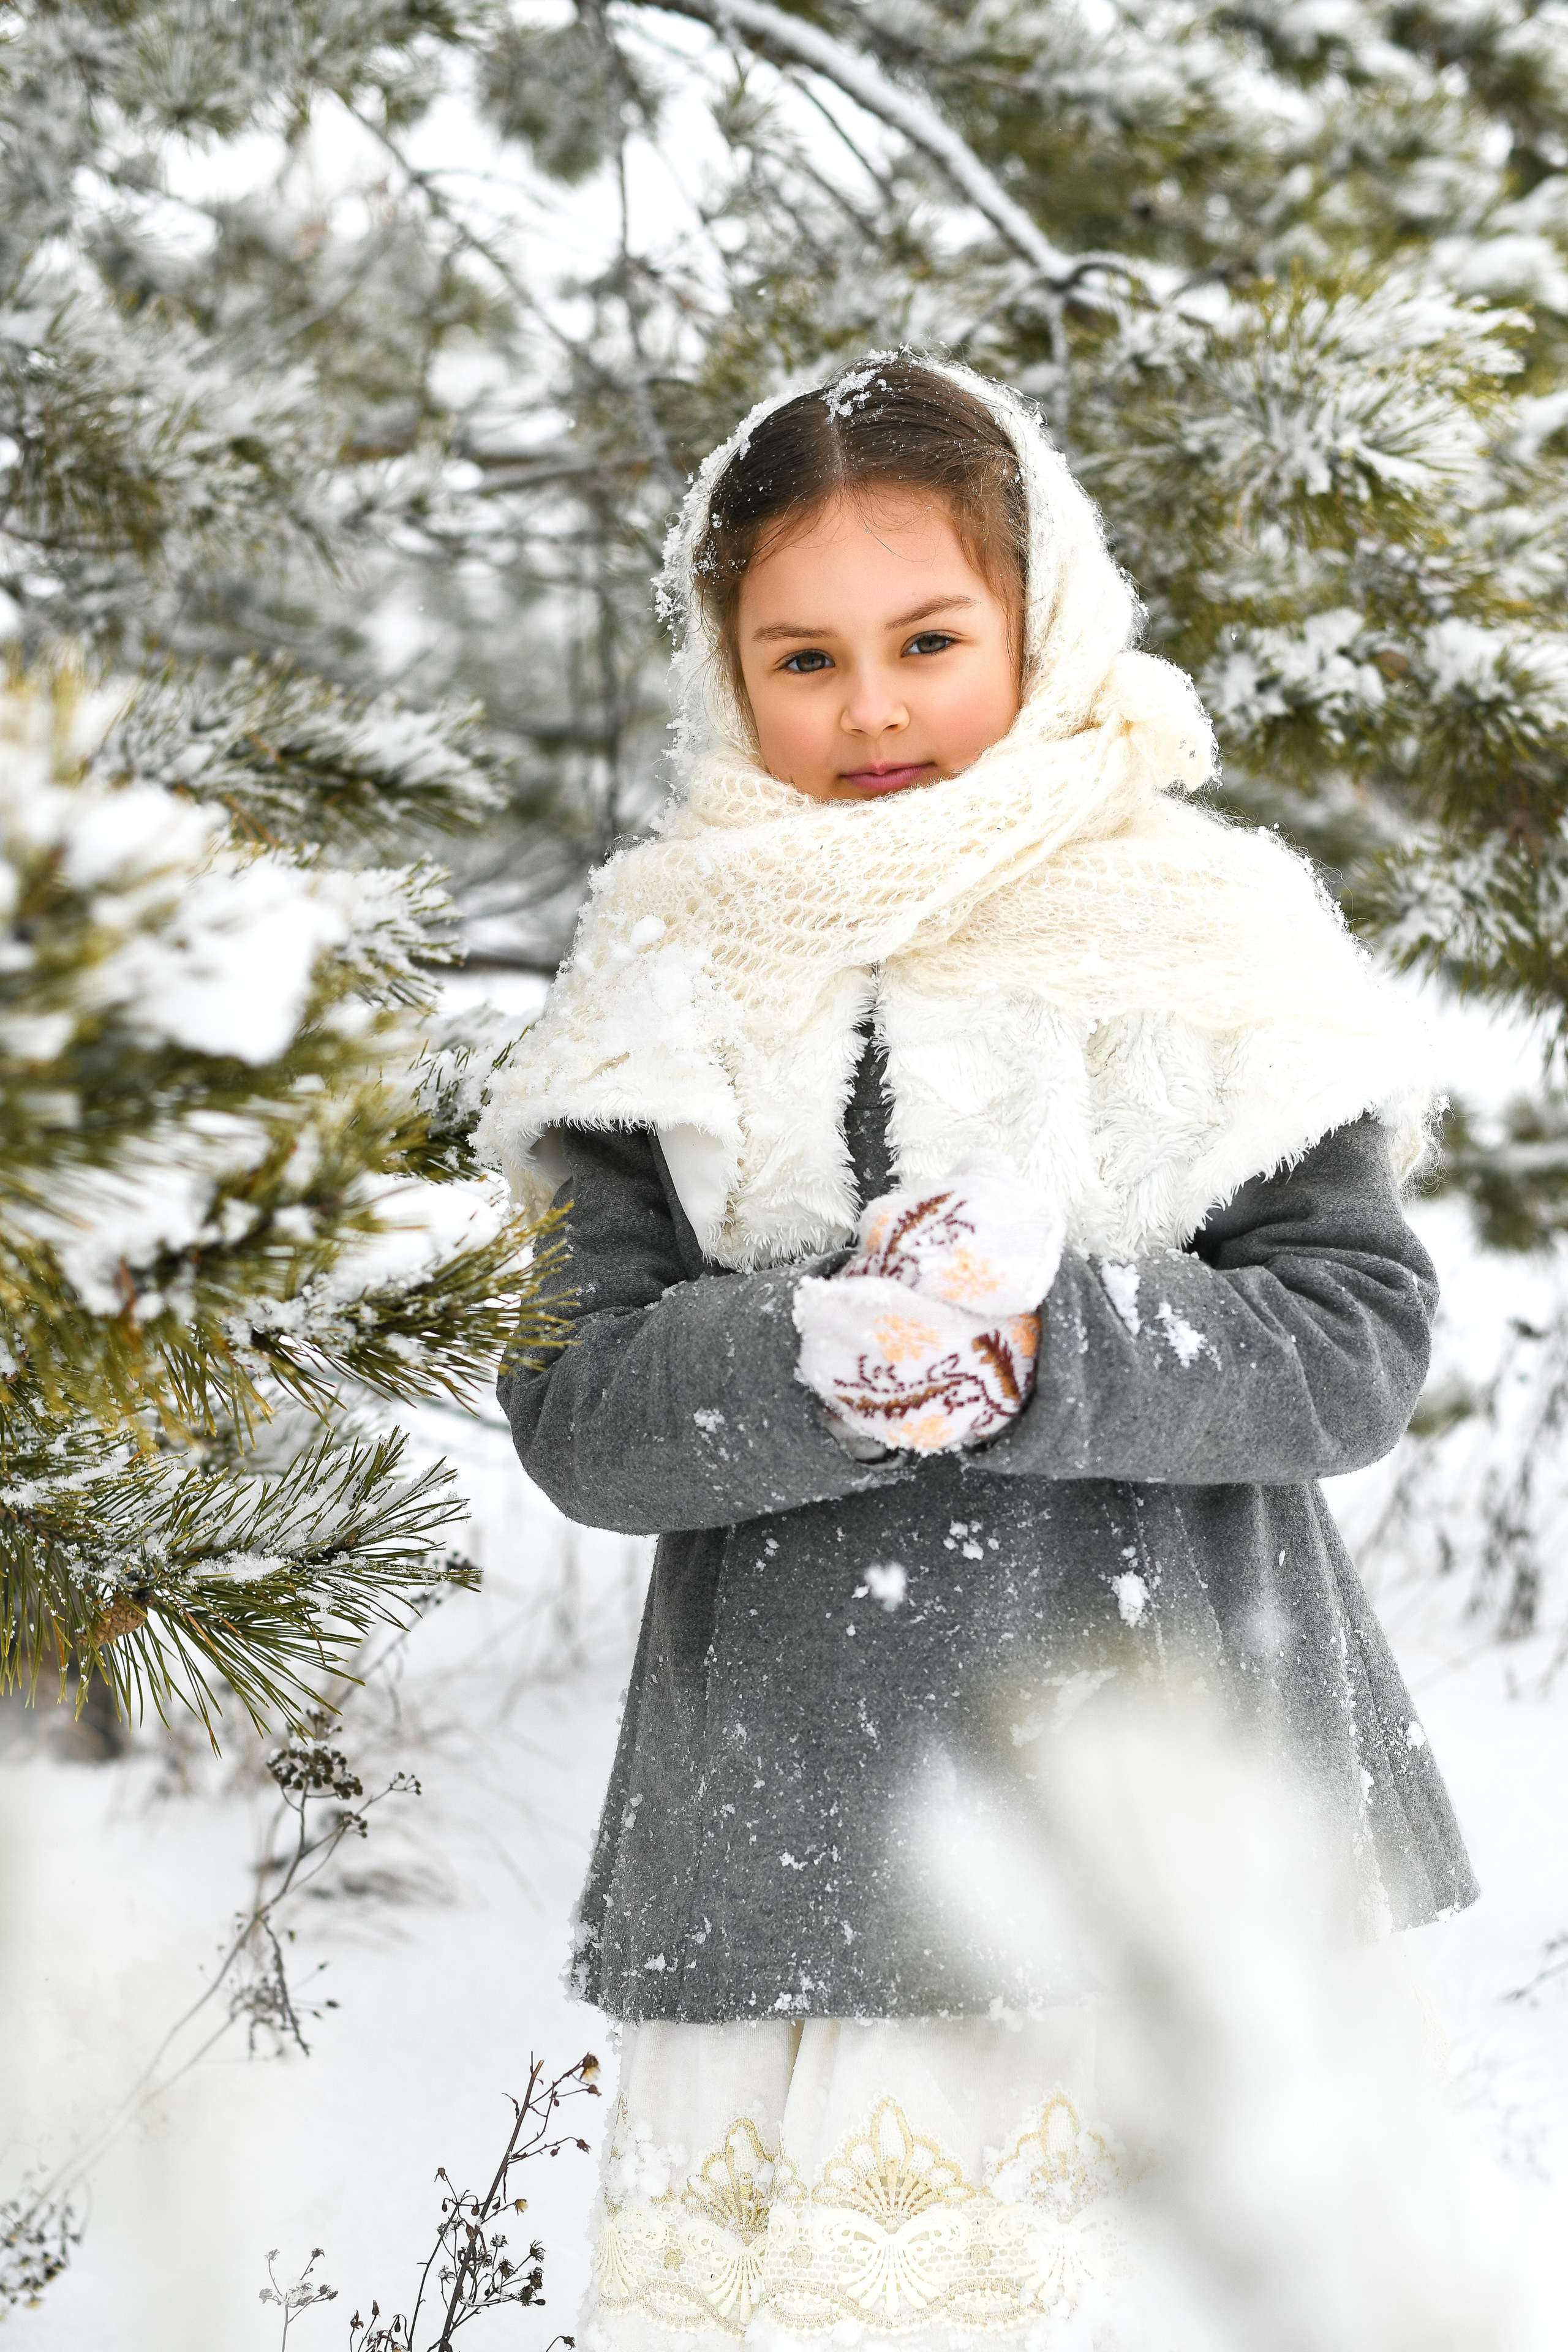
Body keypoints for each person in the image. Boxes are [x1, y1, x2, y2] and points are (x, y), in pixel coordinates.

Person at [478, 353, 1477, 2350]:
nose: (870, 710)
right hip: (800, 1861)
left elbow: (1352, 1339)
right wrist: (804, 1357)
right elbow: (578, 1404)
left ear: (1041, 617)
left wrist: (1053, 1338)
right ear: (721, 662)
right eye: (804, 656)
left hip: (1179, 1831)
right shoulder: (664, 973)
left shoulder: (1203, 933)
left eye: (929, 641)